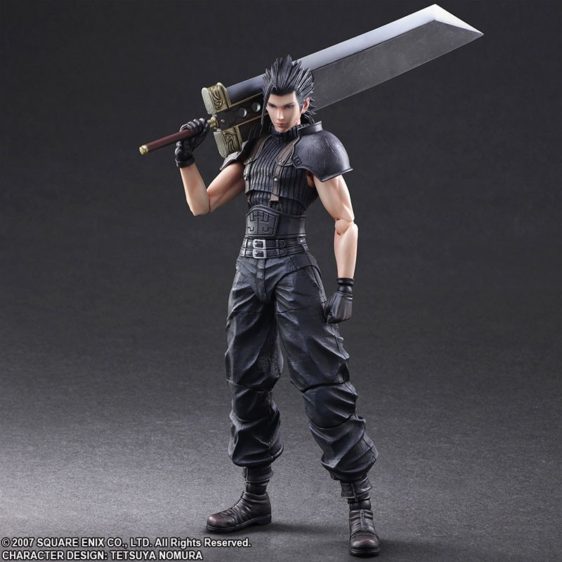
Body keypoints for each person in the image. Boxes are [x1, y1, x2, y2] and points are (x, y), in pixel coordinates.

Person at [175, 55, 380, 557]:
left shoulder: (318, 147)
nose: (281, 115)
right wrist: (185, 159)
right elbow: (202, 204)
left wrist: (346, 285)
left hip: (292, 268)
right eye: (273, 106)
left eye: (289, 107)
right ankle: (255, 498)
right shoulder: (254, 145)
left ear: (304, 104)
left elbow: (345, 220)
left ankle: (360, 504)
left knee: (323, 382)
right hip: (249, 270)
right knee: (246, 380)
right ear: (264, 104)